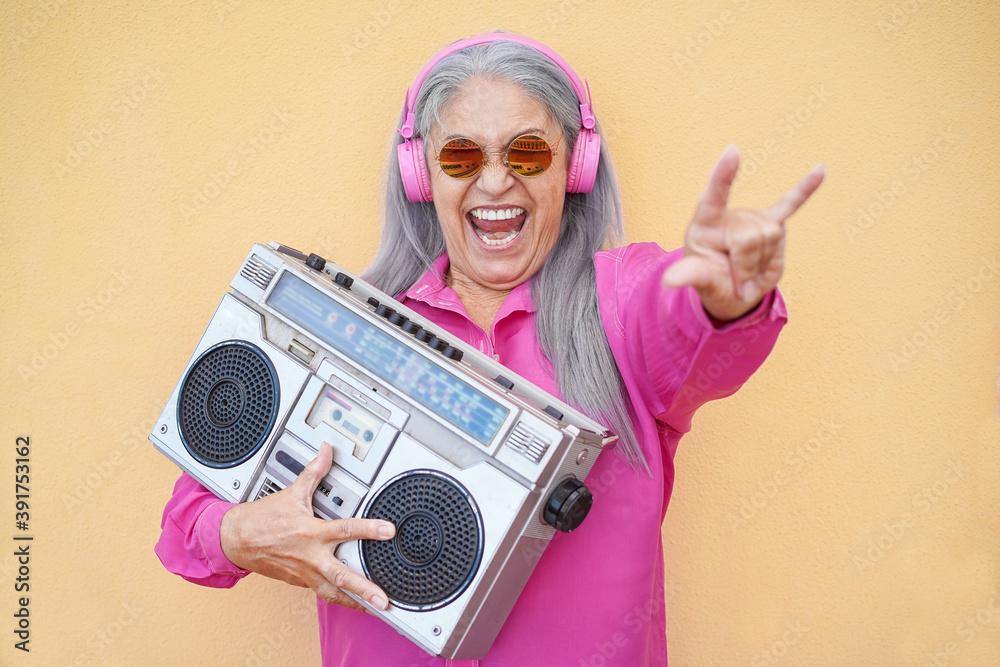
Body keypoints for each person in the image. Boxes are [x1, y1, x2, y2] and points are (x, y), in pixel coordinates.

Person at [155, 32, 824, 665]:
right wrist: (244, 536)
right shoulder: (349, 323)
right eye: (461, 156)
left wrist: (726, 295)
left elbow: (690, 326)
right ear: (423, 176)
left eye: (527, 153)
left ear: (575, 167)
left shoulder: (621, 308)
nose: (497, 182)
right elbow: (189, 523)